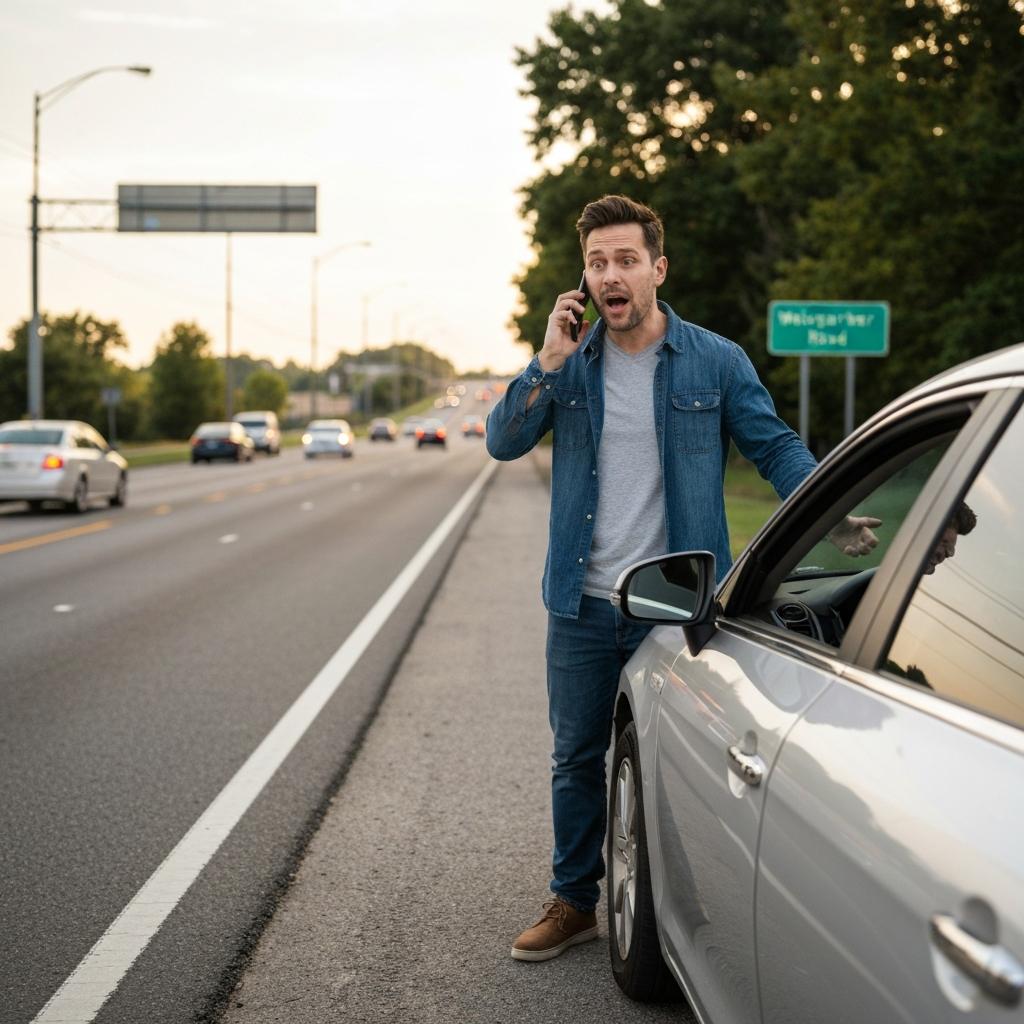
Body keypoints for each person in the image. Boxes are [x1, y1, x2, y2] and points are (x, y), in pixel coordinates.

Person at [485, 195, 877, 962]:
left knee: (689, 757)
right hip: (584, 602)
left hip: (681, 601)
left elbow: (775, 447)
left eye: (626, 259)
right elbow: (503, 441)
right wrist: (545, 362)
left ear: (658, 269)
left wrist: (832, 515)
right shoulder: (571, 363)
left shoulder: (714, 361)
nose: (609, 275)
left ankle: (690, 903)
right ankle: (575, 902)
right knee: (576, 756)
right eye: (597, 263)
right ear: (585, 278)